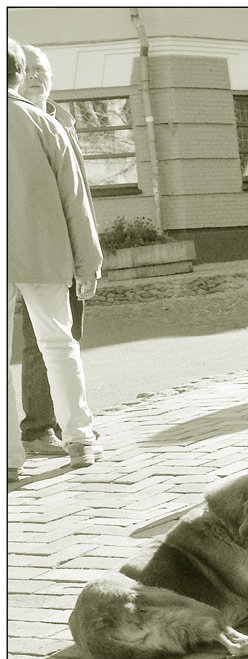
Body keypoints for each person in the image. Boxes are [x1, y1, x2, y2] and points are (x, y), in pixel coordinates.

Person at [7, 37, 103, 478]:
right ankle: (79, 438)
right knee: (59, 345)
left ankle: (9, 457)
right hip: (43, 252)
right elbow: (75, 201)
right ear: (19, 74)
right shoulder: (46, 126)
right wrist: (89, 261)